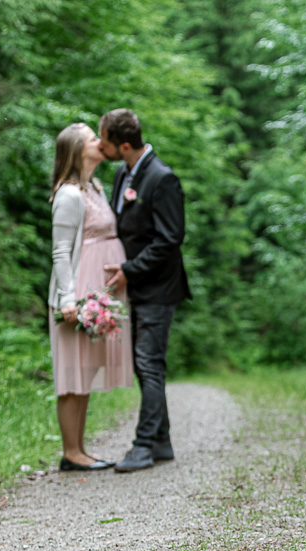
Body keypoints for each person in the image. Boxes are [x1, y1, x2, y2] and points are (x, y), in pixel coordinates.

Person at [97, 108, 191, 473]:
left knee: (149, 364)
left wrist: (129, 270)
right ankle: (162, 441)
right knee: (144, 364)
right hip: (133, 286)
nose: (99, 145)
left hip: (158, 287)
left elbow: (170, 239)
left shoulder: (162, 178)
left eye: (103, 139)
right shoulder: (123, 172)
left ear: (122, 144)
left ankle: (143, 447)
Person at [48, 123, 134, 471]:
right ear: (77, 150)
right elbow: (60, 251)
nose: (100, 142)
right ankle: (71, 453)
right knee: (72, 375)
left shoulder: (94, 187)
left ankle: (80, 450)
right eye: (91, 138)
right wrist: (69, 299)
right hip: (78, 291)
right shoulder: (69, 194)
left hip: (99, 290)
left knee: (84, 372)